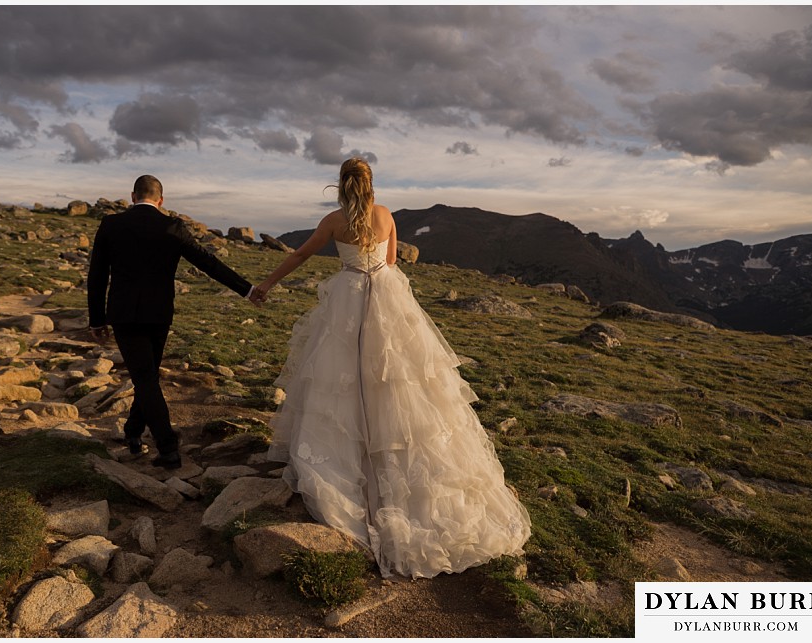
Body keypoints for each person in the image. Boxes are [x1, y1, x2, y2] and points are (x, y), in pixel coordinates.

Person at [252, 158, 531, 579]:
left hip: (347, 295)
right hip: (387, 295)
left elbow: (302, 254)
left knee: (339, 378)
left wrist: (266, 284)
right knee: (400, 379)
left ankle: (351, 458)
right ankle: (391, 451)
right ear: (371, 184)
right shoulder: (386, 216)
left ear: (340, 186)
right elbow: (394, 261)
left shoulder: (333, 220)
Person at [87, 175, 257, 469]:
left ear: (132, 196)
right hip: (159, 314)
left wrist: (96, 320)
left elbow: (97, 275)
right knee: (147, 376)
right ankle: (142, 437)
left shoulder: (111, 224)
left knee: (145, 377)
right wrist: (247, 289)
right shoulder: (172, 226)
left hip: (124, 313)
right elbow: (208, 262)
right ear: (161, 200)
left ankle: (163, 446)